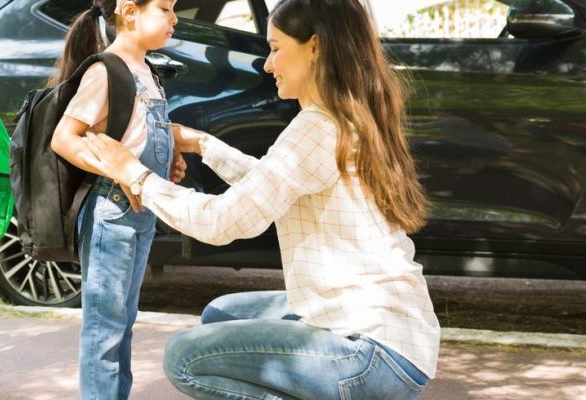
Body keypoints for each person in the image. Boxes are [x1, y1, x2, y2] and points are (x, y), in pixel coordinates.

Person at [77, 0, 441, 398]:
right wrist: (203, 144)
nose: (268, 65)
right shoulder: (346, 116)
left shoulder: (316, 128)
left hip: (371, 353)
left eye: (276, 47)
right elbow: (271, 186)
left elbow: (221, 222)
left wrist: (134, 173)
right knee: (221, 315)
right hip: (398, 338)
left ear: (315, 47)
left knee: (184, 357)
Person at [48, 1, 185, 399]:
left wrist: (166, 163)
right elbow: (65, 138)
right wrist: (122, 172)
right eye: (164, 7)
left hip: (142, 214)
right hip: (112, 214)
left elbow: (137, 137)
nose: (174, 18)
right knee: (104, 328)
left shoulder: (149, 71)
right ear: (128, 9)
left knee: (123, 321)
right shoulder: (106, 70)